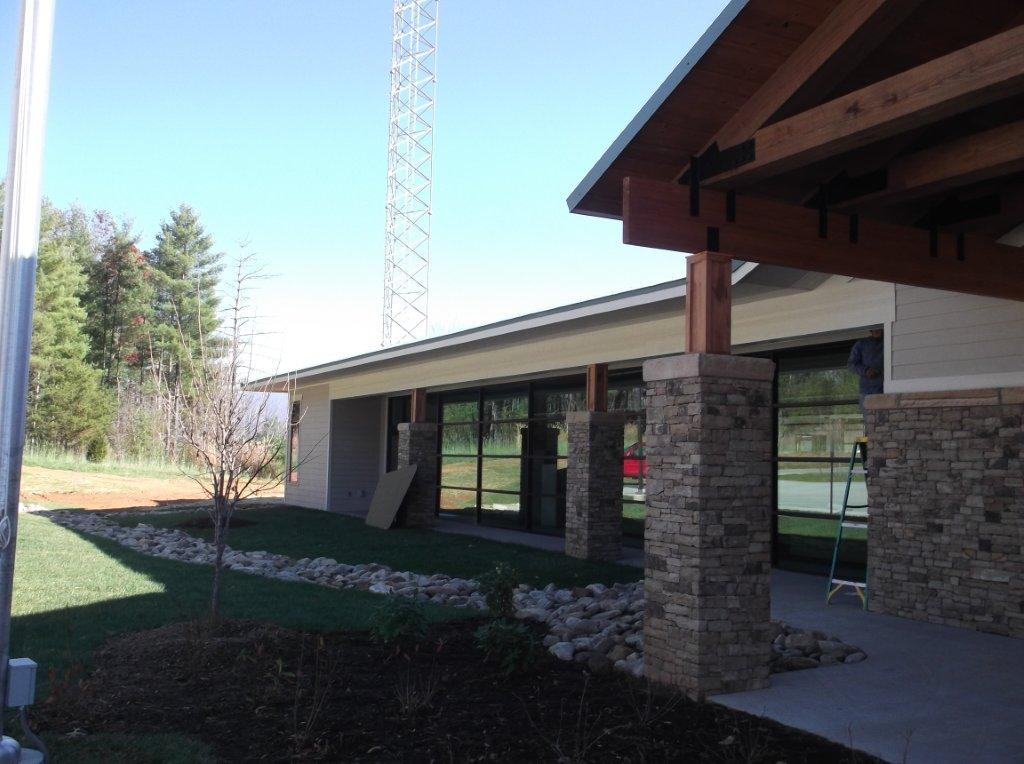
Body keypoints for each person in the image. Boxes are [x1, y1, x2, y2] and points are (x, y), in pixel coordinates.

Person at [848, 328, 884, 411]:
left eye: (880, 329)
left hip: (887, 390)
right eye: (876, 329)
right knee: (870, 420)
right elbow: (851, 364)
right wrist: (865, 370)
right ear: (871, 330)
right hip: (868, 391)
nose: (878, 331)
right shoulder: (861, 344)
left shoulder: (889, 341)